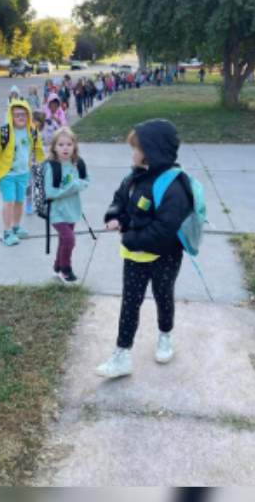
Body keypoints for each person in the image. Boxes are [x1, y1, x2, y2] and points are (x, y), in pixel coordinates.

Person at [96, 119, 191, 378]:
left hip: (165, 256)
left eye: (135, 148)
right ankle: (122, 355)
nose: (132, 154)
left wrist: (131, 240)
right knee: (130, 303)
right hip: (134, 257)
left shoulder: (174, 186)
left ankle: (165, 335)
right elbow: (120, 200)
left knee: (163, 296)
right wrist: (114, 217)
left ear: (151, 152)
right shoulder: (133, 177)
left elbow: (165, 229)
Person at [0, 100, 44, 246]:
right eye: (17, 115)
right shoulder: (4, 132)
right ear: (11, 116)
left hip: (23, 173)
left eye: (24, 114)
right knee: (8, 201)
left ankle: (16, 226)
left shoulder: (32, 131)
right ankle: (7, 231)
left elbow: (38, 148)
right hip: (7, 174)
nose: (21, 117)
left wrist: (44, 164)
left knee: (19, 201)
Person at [43, 127, 91, 284]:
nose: (65, 148)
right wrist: (73, 187)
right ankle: (65, 269)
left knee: (64, 240)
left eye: (69, 144)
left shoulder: (78, 164)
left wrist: (76, 185)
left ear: (74, 146)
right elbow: (51, 192)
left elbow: (86, 181)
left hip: (72, 208)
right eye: (61, 144)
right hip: (56, 211)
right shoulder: (51, 166)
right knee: (69, 239)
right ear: (54, 147)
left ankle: (57, 266)